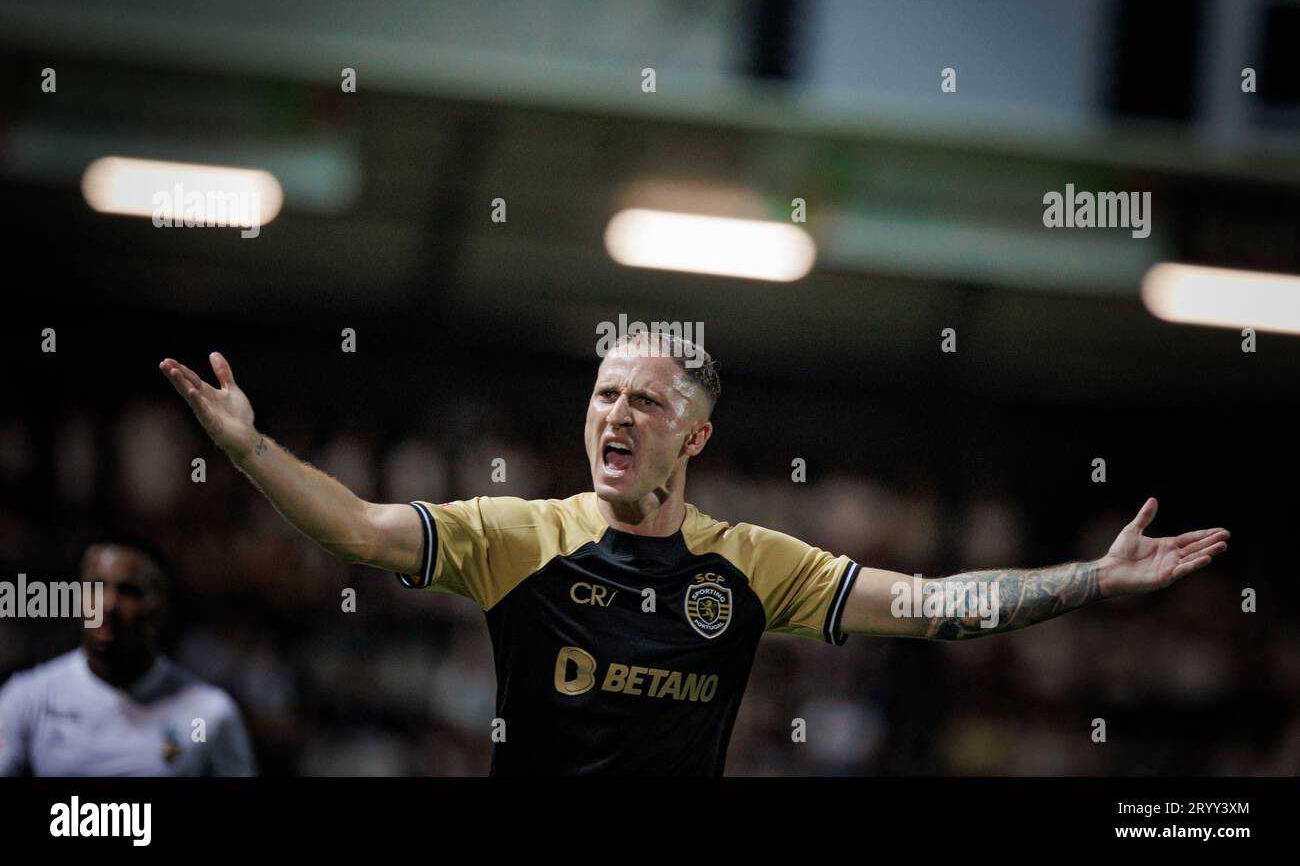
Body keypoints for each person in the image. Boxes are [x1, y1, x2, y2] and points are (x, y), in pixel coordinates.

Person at [157, 333, 1228, 774]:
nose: (615, 414)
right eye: (603, 394)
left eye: (645, 401)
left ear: (694, 437)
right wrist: (249, 449)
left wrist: (1092, 576)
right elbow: (352, 523)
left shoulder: (754, 565)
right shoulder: (515, 534)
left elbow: (937, 603)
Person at [0, 539, 255, 776]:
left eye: (128, 591)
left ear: (160, 607)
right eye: (95, 587)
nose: (108, 604)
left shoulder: (210, 714)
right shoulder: (28, 698)